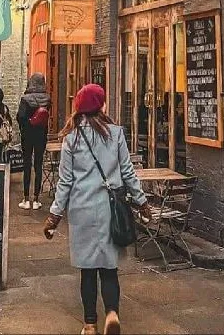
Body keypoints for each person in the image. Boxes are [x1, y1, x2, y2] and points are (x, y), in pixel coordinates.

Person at [43, 83, 151, 335]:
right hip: (108, 209)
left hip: (81, 210)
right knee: (109, 267)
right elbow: (127, 173)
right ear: (101, 105)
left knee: (88, 270)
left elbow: (65, 181)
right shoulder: (115, 134)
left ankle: (90, 324)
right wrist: (142, 202)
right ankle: (112, 313)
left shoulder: (71, 139)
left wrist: (54, 215)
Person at [17, 72, 51, 210]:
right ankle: (36, 199)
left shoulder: (25, 99)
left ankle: (26, 199)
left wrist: (25, 126)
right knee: (38, 165)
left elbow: (20, 117)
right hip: (41, 135)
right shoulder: (47, 99)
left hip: (27, 134)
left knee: (27, 165)